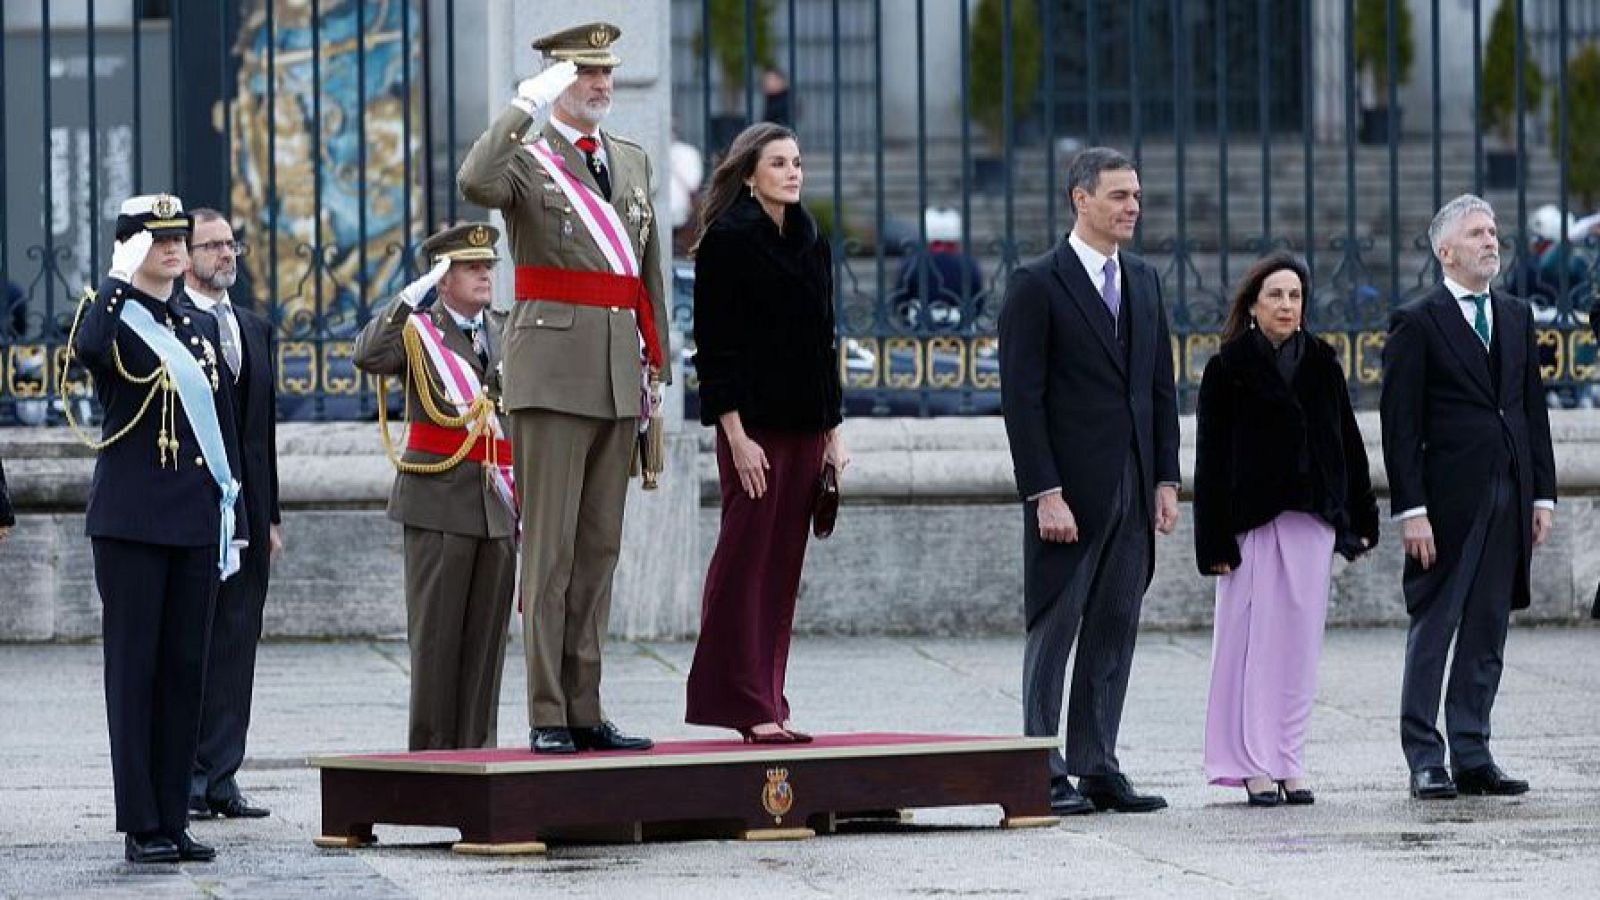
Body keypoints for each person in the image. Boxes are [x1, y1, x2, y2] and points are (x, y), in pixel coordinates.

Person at [458, 21, 670, 755]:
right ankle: (547, 710)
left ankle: (586, 706)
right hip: (550, 376)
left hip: (617, 373)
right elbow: (474, 181)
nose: (602, 86)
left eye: (607, 74)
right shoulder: (526, 158)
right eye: (586, 74)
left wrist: (658, 365)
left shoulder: (633, 161)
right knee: (547, 555)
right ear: (555, 82)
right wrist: (524, 104)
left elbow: (648, 274)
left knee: (598, 553)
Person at [998, 147, 1180, 816]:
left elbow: (1159, 388)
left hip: (1133, 487)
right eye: (1118, 196)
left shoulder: (1145, 280)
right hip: (1069, 494)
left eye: (1136, 195)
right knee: (1055, 629)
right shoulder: (1036, 284)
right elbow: (1022, 399)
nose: (1132, 206)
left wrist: (1165, 477)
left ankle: (1098, 763)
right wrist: (1044, 492)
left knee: (1114, 627)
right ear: (1081, 199)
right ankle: (1040, 769)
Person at [66, 193, 246, 863]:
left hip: (193, 522)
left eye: (177, 239)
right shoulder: (111, 319)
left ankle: (174, 817)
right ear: (130, 247)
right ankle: (141, 823)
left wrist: (238, 519)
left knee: (183, 674)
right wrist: (116, 280)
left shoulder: (191, 327)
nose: (172, 249)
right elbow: (90, 350)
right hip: (134, 523)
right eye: (156, 239)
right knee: (135, 674)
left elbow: (223, 431)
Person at [1381, 194, 1557, 801]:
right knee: (1436, 624)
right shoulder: (1417, 321)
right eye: (1478, 234)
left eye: (1494, 232)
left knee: (1488, 626)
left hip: (1511, 491)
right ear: (1445, 250)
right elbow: (1400, 427)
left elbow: (1531, 408)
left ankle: (1474, 751)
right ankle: (1425, 757)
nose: (1491, 241)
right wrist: (1412, 510)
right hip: (1446, 502)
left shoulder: (1513, 314)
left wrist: (1544, 496)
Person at [1193, 252, 1379, 807]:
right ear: (1253, 304)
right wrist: (1214, 541)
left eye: (1295, 296)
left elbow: (1346, 442)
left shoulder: (1322, 360)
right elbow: (1209, 460)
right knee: (1249, 647)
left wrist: (1360, 516)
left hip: (1311, 522)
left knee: (1297, 649)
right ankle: (1251, 764)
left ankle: (1289, 760)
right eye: (1275, 295)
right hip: (1250, 524)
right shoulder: (1227, 367)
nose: (1287, 305)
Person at [684, 123, 847, 743]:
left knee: (782, 568)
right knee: (744, 561)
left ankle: (770, 699)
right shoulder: (728, 241)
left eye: (798, 162)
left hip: (806, 429)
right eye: (779, 162)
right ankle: (739, 700)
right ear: (750, 174)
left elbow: (823, 341)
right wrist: (735, 435)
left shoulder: (811, 239)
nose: (793, 172)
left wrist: (834, 430)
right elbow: (714, 349)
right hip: (753, 432)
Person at [352, 223, 518, 752]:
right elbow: (368, 354)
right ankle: (431, 760)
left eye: (488, 265)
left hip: (497, 504)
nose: (485, 275)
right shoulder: (420, 329)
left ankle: (478, 756)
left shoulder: (505, 328)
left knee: (485, 647)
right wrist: (409, 298)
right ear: (442, 278)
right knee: (437, 643)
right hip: (439, 502)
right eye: (471, 267)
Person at [182, 209, 282, 821]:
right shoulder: (175, 325)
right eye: (212, 245)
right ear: (186, 254)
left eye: (230, 244)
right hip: (197, 516)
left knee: (239, 643)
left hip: (248, 516)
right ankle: (189, 774)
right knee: (197, 642)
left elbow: (261, 437)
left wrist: (270, 518)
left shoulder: (254, 326)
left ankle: (223, 774)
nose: (226, 254)